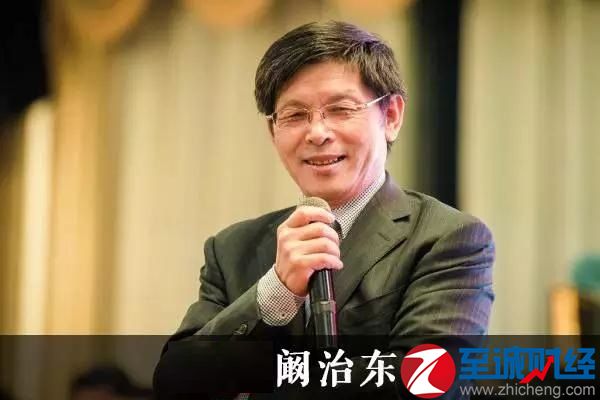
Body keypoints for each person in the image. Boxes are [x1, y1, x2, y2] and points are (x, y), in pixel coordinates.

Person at [154, 20, 494, 399]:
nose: (317, 133)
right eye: (295, 115)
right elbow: (176, 383)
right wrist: (274, 293)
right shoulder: (232, 249)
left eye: (341, 109)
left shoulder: (448, 238)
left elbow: (426, 381)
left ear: (391, 117)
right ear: (272, 131)